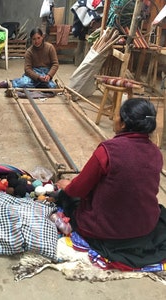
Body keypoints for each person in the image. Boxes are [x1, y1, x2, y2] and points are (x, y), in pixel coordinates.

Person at [56, 98, 166, 268]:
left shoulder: (108, 151)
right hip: (144, 229)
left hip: (104, 231)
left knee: (66, 197)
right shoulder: (156, 153)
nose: (115, 119)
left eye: (117, 116)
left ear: (123, 124)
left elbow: (78, 190)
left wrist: (66, 185)